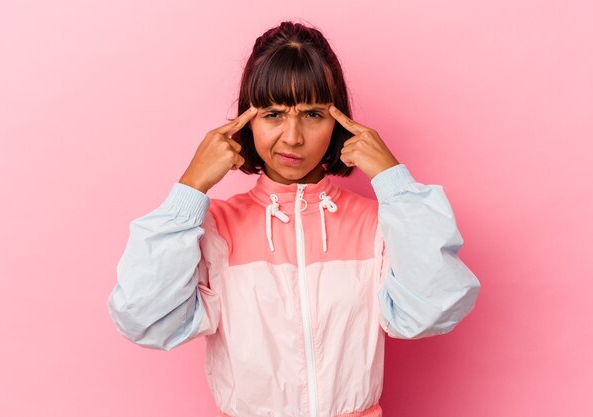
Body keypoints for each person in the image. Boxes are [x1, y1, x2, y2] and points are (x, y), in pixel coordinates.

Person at [107, 20, 481, 417]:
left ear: (338, 122)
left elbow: (434, 310)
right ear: (246, 122)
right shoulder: (213, 229)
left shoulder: (378, 224)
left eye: (313, 114)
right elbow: (143, 319)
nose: (292, 137)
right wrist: (190, 188)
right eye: (272, 114)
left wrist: (395, 183)